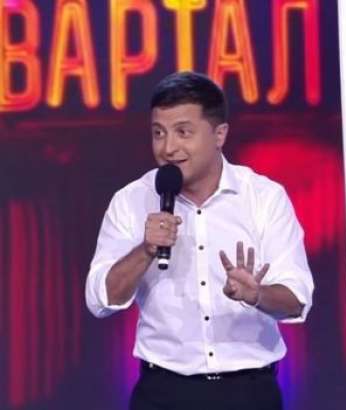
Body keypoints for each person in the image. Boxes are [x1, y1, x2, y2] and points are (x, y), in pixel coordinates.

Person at [84, 71, 314, 410]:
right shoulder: (132, 200)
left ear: (219, 134)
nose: (168, 148)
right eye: (158, 133)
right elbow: (100, 300)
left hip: (248, 393)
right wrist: (145, 251)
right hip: (163, 392)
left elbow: (296, 301)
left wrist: (256, 295)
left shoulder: (264, 197)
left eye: (183, 132)